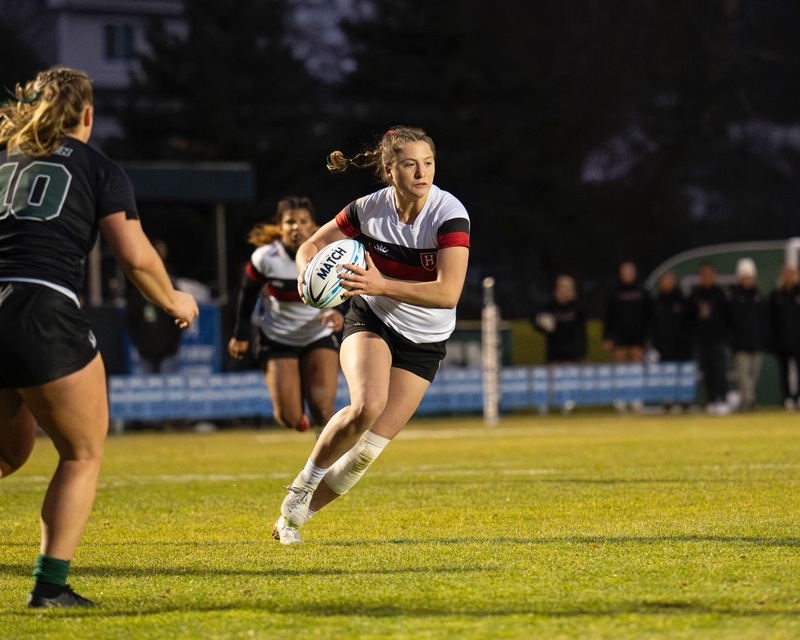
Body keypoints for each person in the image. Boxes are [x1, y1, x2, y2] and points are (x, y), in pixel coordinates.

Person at [0, 67, 199, 608]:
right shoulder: (97, 166)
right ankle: (50, 587)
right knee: (82, 453)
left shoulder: (5, 157)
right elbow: (133, 256)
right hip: (41, 308)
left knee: (9, 452)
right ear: (88, 115)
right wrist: (174, 300)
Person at [271, 126, 470, 545]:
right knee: (367, 405)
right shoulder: (368, 209)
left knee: (366, 452)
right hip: (373, 318)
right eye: (410, 165)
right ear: (389, 169)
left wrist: (382, 284)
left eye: (428, 163)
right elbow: (310, 246)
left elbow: (448, 293)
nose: (422, 173)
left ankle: (295, 516)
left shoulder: (449, 214)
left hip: (425, 339)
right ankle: (303, 484)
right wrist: (309, 274)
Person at [227, 197, 344, 432]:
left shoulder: (329, 255)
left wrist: (339, 313)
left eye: (303, 221)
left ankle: (326, 453)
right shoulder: (265, 258)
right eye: (290, 222)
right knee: (288, 417)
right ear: (280, 228)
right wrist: (241, 334)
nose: (296, 227)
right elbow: (248, 294)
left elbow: (351, 288)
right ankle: (298, 414)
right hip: (278, 337)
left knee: (323, 408)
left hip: (317, 334)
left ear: (313, 226)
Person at [126, 239, 184, 373]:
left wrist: (173, 345)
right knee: (146, 384)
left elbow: (178, 318)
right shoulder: (137, 289)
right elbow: (131, 319)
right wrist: (139, 343)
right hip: (145, 352)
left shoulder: (170, 285)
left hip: (167, 351)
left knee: (168, 384)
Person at [602, 260, 653, 412]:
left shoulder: (642, 291)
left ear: (634, 273)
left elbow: (649, 315)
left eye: (630, 272)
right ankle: (621, 399)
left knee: (636, 369)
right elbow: (608, 316)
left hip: (638, 336)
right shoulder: (614, 292)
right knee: (621, 369)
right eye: (625, 272)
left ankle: (636, 399)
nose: (627, 274)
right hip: (619, 335)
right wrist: (606, 337)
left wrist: (648, 336)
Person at [688, 262, 731, 415]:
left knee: (720, 370)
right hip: (702, 339)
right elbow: (690, 317)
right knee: (707, 371)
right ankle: (712, 400)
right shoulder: (695, 294)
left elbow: (727, 316)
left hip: (718, 338)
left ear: (714, 275)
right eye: (703, 274)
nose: (706, 277)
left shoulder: (720, 293)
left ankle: (723, 399)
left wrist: (724, 334)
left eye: (709, 274)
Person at [727, 258, 769, 412]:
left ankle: (746, 403)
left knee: (752, 378)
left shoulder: (759, 296)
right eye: (744, 277)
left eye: (750, 277)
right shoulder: (733, 298)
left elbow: (764, 321)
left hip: (756, 344)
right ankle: (750, 402)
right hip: (740, 345)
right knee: (743, 377)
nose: (747, 280)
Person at [770, 263, 800, 411]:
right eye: (787, 273)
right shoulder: (776, 294)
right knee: (784, 372)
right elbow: (771, 319)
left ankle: (798, 397)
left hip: (798, 341)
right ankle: (786, 397)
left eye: (792, 273)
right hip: (782, 341)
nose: (789, 276)